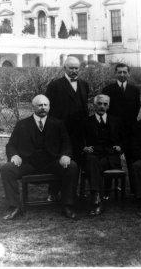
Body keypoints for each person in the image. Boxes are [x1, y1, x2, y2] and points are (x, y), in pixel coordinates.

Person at [0, 95, 79, 220]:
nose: (43, 108)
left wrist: (65, 155)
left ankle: (67, 205)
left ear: (49, 107)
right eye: (40, 105)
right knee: (7, 169)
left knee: (72, 166)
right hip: (28, 164)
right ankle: (14, 207)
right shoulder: (22, 124)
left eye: (45, 105)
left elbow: (66, 143)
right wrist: (14, 155)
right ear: (33, 107)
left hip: (51, 163)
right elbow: (11, 145)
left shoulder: (57, 124)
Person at [45, 56, 89, 201]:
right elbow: (49, 110)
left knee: (75, 161)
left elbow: (84, 107)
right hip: (60, 131)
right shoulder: (55, 85)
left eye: (77, 68)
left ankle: (71, 192)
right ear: (65, 68)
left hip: (78, 131)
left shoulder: (84, 84)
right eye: (71, 68)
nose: (74, 71)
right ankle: (53, 191)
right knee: (59, 160)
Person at [82, 94, 124, 216]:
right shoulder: (86, 122)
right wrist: (84, 147)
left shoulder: (116, 121)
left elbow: (124, 138)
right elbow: (79, 139)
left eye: (105, 104)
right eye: (99, 104)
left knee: (93, 165)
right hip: (94, 154)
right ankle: (98, 198)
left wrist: (121, 146)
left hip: (111, 157)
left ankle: (96, 197)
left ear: (109, 106)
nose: (102, 106)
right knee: (91, 160)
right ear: (94, 105)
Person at [102, 63, 140, 194]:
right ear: (115, 73)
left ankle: (135, 189)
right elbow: (105, 110)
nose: (122, 74)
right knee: (112, 158)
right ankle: (108, 189)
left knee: (132, 158)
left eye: (125, 72)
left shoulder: (134, 90)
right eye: (120, 72)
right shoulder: (108, 89)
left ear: (128, 73)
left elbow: (136, 109)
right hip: (113, 130)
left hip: (130, 129)